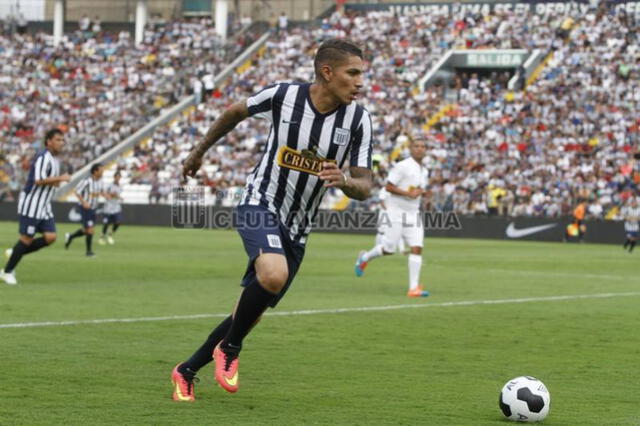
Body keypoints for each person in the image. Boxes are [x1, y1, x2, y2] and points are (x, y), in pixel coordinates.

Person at [171, 38, 373, 402]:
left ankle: (186, 370)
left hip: (299, 227)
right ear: (327, 73)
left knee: (249, 314)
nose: (361, 82)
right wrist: (197, 153)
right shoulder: (284, 96)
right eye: (353, 73)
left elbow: (365, 186)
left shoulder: (359, 120)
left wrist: (344, 180)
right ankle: (230, 350)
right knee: (273, 275)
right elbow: (234, 112)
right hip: (259, 201)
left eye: (362, 74)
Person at [354, 138, 430, 298]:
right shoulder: (403, 166)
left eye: (423, 146)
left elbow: (419, 189)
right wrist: (408, 193)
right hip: (395, 211)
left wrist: (422, 193)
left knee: (417, 247)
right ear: (411, 149)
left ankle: (413, 288)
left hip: (413, 213)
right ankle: (365, 258)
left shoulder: (424, 171)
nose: (420, 149)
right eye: (417, 146)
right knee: (388, 249)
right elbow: (388, 186)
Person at [1, 129, 70, 285]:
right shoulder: (42, 157)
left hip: (44, 205)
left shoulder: (54, 160)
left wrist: (58, 180)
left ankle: (16, 252)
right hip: (32, 203)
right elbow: (38, 180)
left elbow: (52, 182)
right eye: (58, 140)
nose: (61, 143)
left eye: (62, 140)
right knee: (26, 238)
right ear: (49, 141)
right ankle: (7, 272)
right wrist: (61, 177)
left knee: (50, 237)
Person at [64, 163, 104, 256]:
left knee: (86, 230)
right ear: (95, 171)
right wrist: (84, 202)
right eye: (101, 170)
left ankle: (70, 236)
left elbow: (99, 192)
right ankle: (88, 252)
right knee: (90, 230)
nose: (102, 172)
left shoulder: (100, 182)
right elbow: (77, 191)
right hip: (86, 208)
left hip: (93, 208)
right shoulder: (87, 181)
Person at [99, 171, 123, 245]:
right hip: (108, 207)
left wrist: (119, 197)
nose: (118, 178)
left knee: (118, 222)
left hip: (116, 207)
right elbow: (102, 192)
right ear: (114, 177)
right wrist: (109, 195)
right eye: (117, 177)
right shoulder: (109, 185)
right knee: (106, 223)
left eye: (119, 177)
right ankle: (102, 237)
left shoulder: (120, 187)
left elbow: (117, 195)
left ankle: (110, 234)